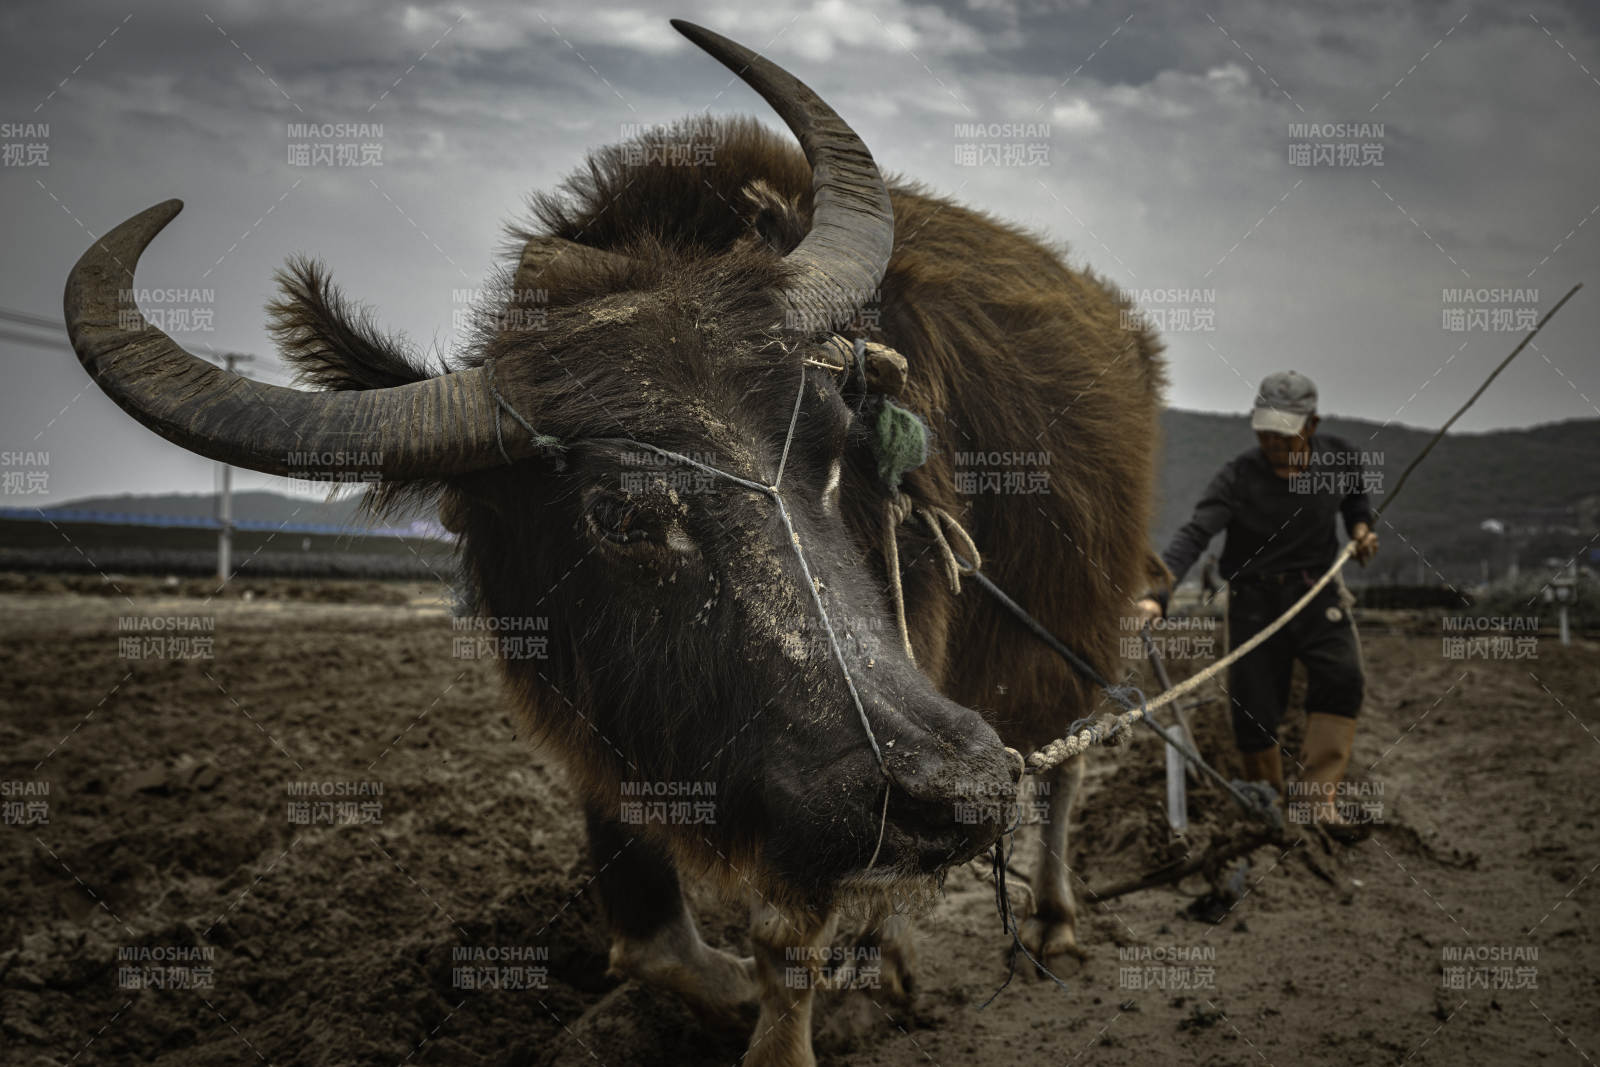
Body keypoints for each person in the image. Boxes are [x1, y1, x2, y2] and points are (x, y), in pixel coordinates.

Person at [1135, 371, 1379, 838]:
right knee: (1253, 707)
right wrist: (1157, 594)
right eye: (1265, 432)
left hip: (1315, 592)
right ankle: (1267, 806)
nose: (1272, 443)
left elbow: (1356, 502)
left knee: (1343, 677)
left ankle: (1318, 802)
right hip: (1254, 600)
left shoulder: (1341, 458)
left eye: (1284, 434)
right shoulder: (1238, 478)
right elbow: (1195, 534)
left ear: (1311, 425)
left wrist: (1361, 530)